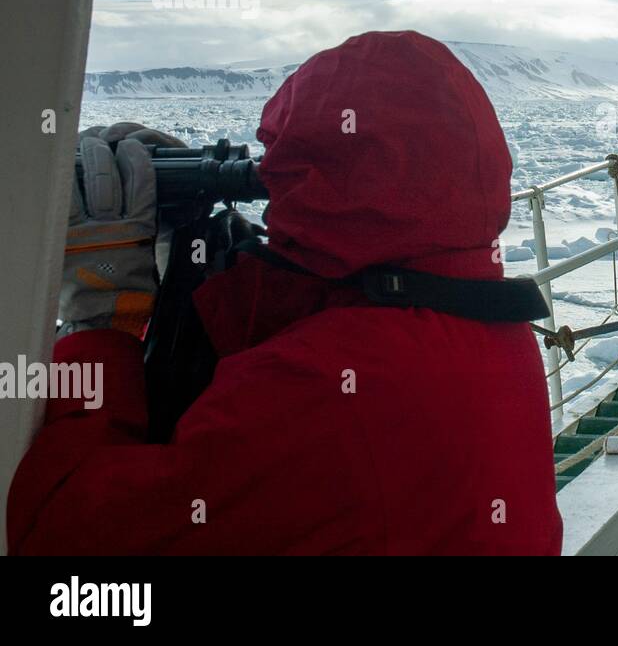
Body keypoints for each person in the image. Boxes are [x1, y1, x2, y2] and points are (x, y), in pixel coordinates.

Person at [7, 31, 563, 554]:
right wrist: (182, 244)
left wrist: (103, 322)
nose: (272, 186)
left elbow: (65, 539)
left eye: (288, 168)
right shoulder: (486, 329)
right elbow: (309, 323)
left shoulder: (326, 388)